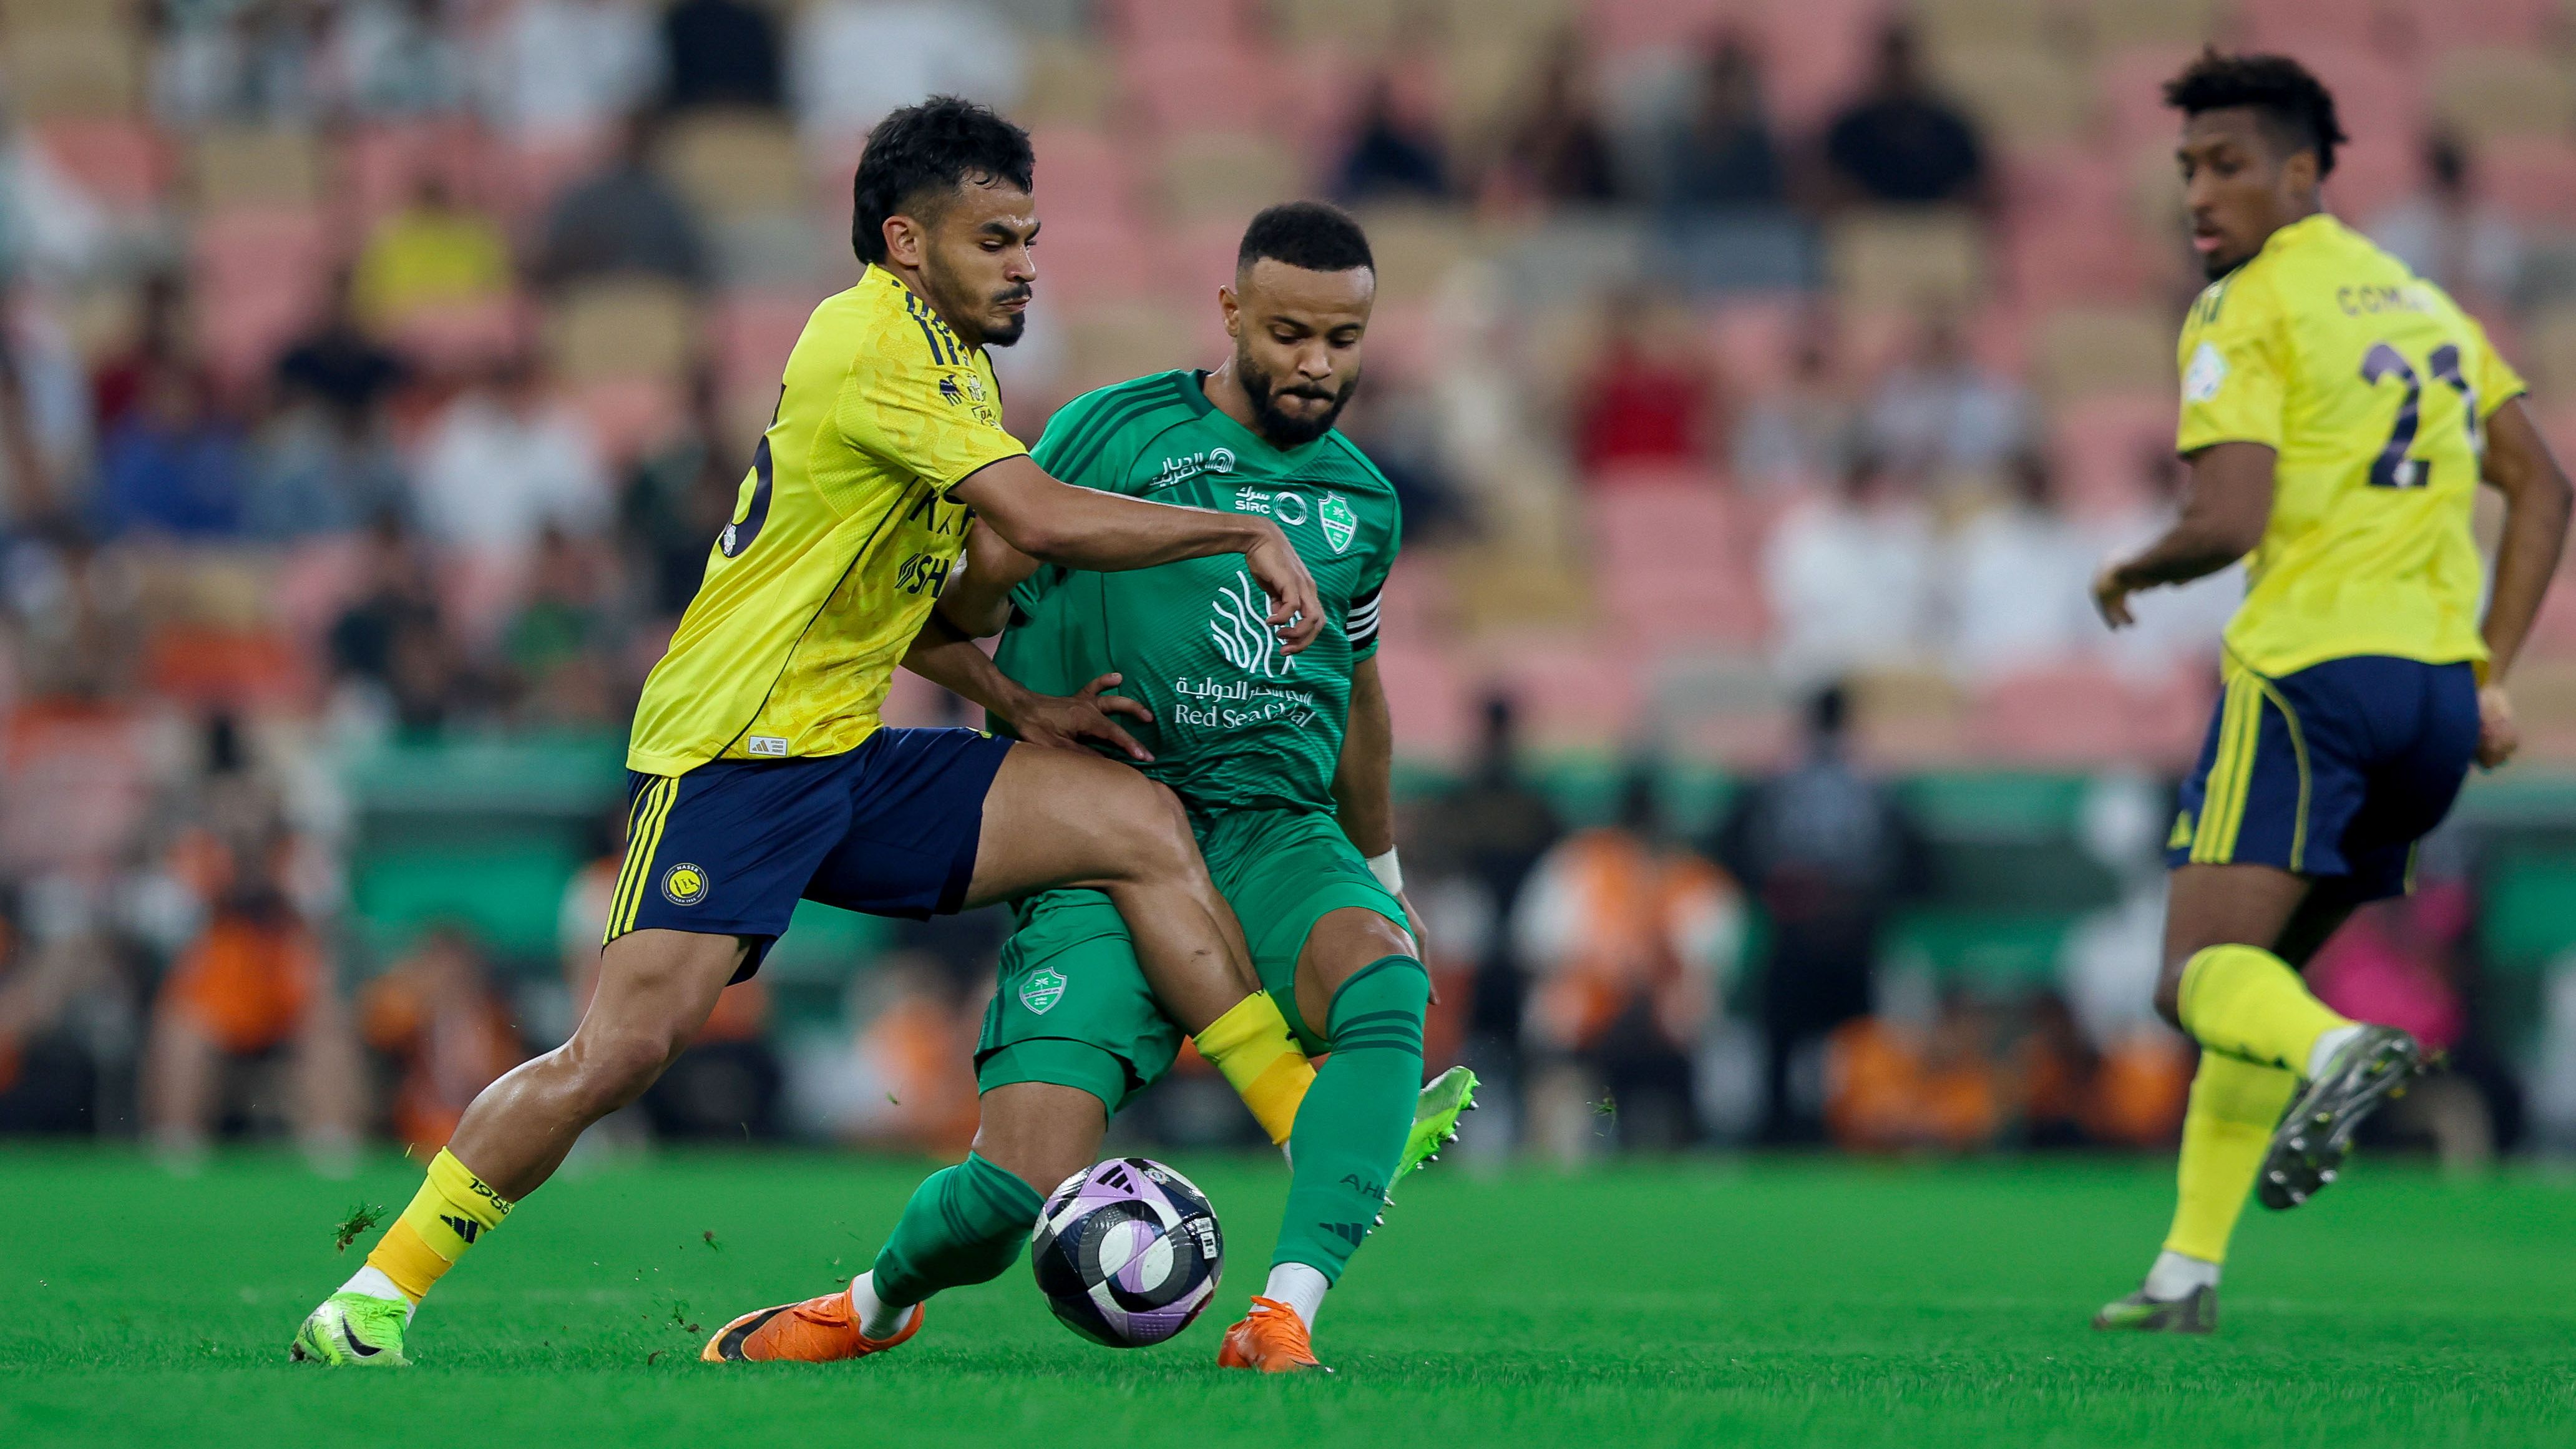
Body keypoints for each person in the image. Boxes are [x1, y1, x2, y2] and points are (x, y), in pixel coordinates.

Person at [293, 96, 1329, 1368]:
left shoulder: (957, 366)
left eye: (1033, 236)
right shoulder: (870, 345)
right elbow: (1043, 521)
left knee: (1132, 818)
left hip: (846, 752)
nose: (1027, 265)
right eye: (995, 239)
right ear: (907, 242)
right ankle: (375, 1297)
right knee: (619, 1052)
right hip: (735, 751)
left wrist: (1017, 706)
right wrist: (1244, 527)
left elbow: (900, 598)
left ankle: (1308, 1119)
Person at [703, 202, 1475, 1373]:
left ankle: (1282, 1317)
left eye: (1340, 340)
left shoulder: (1363, 500)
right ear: (1229, 314)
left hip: (1270, 832)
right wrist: (1008, 679)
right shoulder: (1108, 433)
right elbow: (964, 594)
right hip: (1100, 842)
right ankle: (873, 1304)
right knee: (1006, 1194)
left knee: (1385, 976)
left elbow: (1358, 698)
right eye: (1286, 334)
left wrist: (1380, 872)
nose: (1314, 365)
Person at [2087, 52, 2570, 1334]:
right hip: (2429, 709)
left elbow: (2229, 517)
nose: (2200, 191)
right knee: (2254, 983)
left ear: (2304, 174)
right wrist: (2488, 673)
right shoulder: (2428, 307)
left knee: (2191, 976)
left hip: (2310, 679)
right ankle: (2185, 1276)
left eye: (2229, 164)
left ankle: (2337, 1053)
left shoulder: (2247, 305)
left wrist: (2139, 561)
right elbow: (2546, 488)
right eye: (2188, 166)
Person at [1821, 23, 1989, 210]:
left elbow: (1975, 187)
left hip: (1938, 230)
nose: (1897, 71)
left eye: (1903, 61)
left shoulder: (1950, 129)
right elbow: (1831, 186)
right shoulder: (1850, 131)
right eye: (1890, 62)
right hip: (1869, 230)